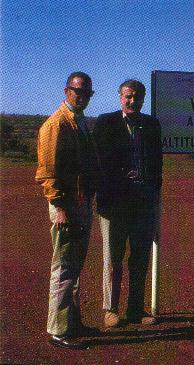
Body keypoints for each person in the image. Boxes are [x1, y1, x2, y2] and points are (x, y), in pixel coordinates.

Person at [93, 79, 162, 328]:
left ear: (143, 99)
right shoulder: (106, 123)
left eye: (137, 97)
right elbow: (98, 162)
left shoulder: (151, 125)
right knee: (113, 259)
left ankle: (135, 309)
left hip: (143, 203)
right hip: (114, 204)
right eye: (128, 97)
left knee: (140, 258)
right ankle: (110, 309)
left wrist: (154, 197)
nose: (133, 101)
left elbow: (157, 166)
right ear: (120, 97)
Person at [36, 72, 98, 349]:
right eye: (77, 91)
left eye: (86, 93)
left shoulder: (79, 122)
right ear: (66, 91)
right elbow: (47, 171)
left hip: (81, 202)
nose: (82, 96)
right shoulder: (56, 124)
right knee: (63, 267)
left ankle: (72, 322)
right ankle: (58, 329)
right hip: (66, 205)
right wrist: (58, 205)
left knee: (74, 266)